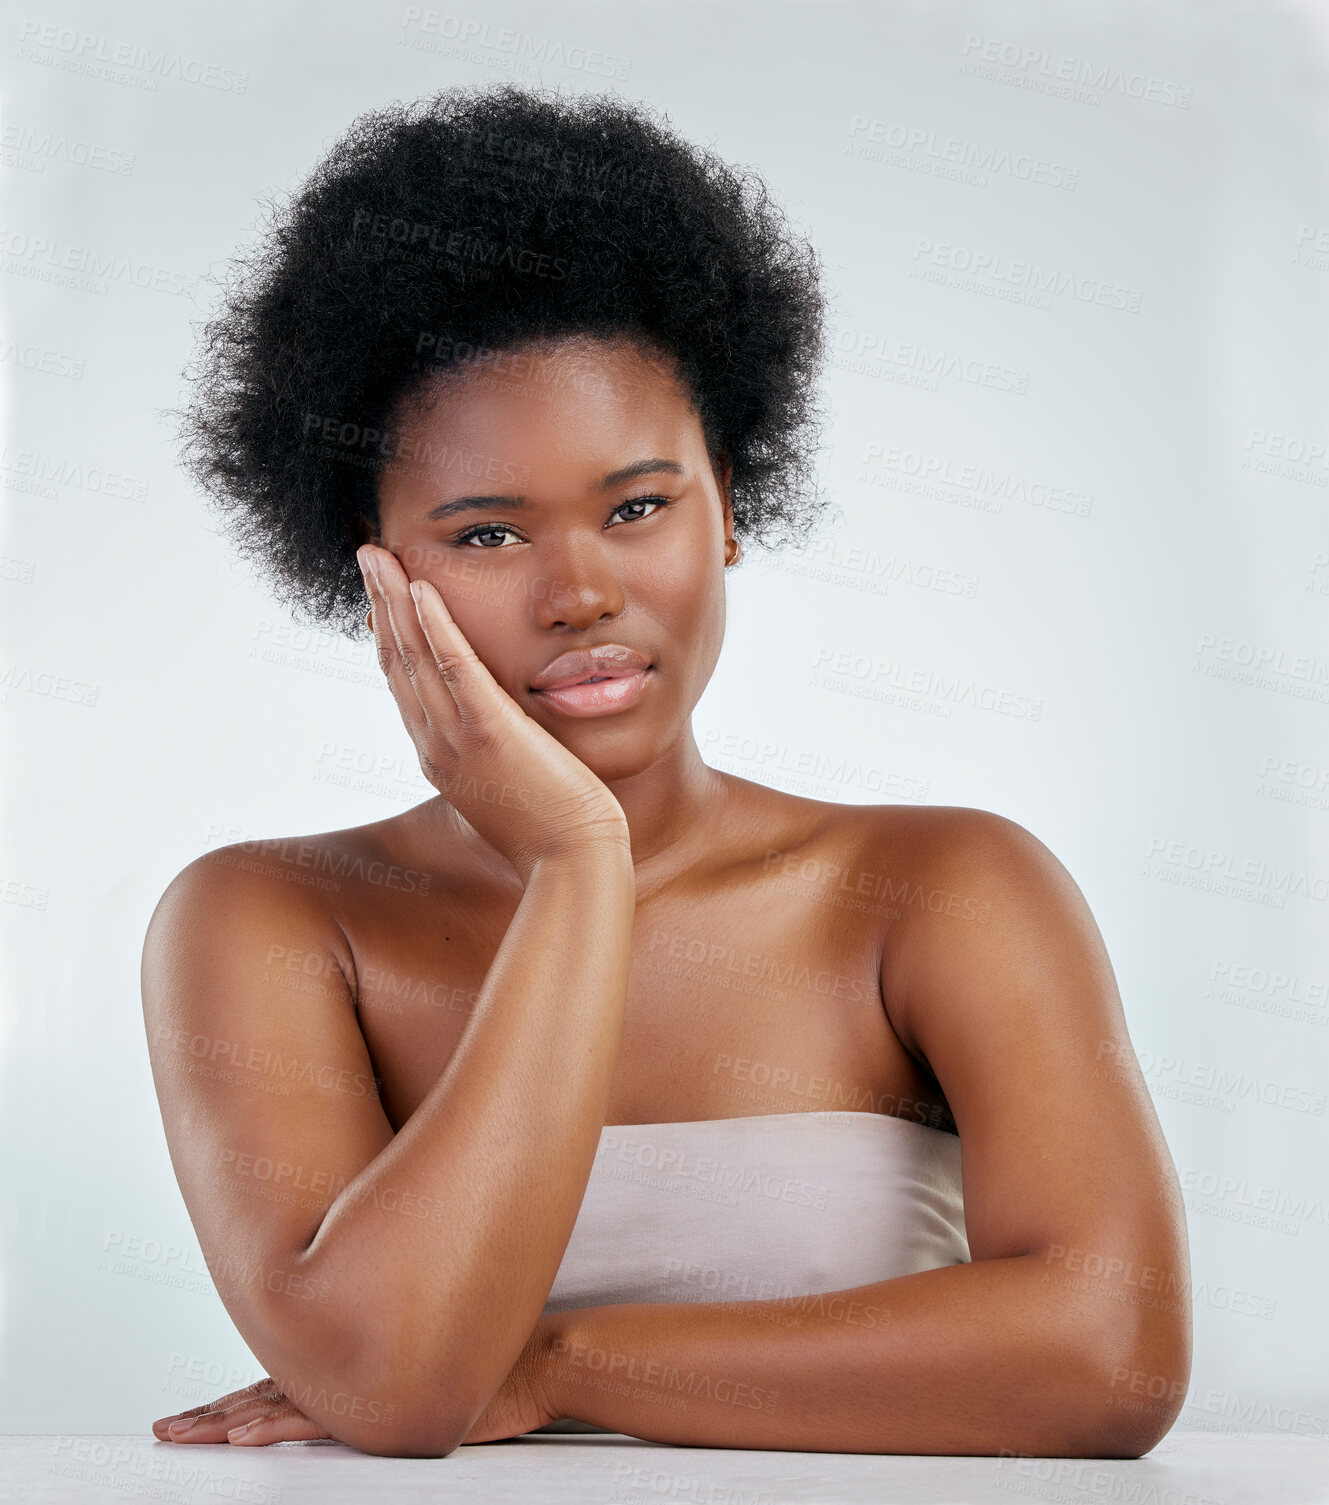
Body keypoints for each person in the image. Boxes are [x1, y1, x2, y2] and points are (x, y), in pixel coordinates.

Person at [141, 82, 1190, 1459]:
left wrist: (555, 1364)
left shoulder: (941, 889)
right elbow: (397, 1381)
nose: (581, 590)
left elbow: (1109, 1358)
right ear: (372, 562)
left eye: (638, 506)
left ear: (733, 504)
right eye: (488, 534)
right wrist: (578, 864)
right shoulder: (270, 922)